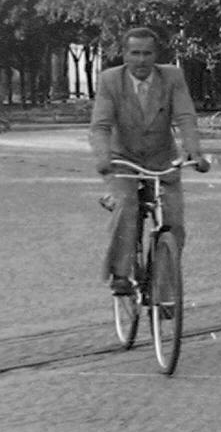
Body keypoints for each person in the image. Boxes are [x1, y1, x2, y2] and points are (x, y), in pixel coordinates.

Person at [89, 27, 210, 296]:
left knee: (174, 222)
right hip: (123, 161)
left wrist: (195, 152)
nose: (141, 60)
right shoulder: (110, 80)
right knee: (127, 206)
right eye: (135, 53)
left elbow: (185, 117)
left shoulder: (172, 77)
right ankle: (120, 274)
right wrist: (103, 156)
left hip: (162, 159)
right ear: (124, 54)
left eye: (147, 53)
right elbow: (100, 126)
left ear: (156, 55)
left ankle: (164, 291)